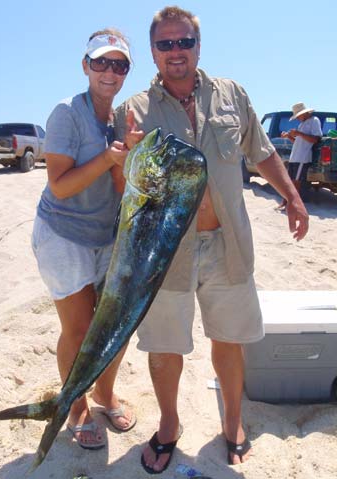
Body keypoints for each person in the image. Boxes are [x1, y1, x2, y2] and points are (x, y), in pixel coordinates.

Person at [114, 6, 309, 473]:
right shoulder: (135, 109)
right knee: (164, 347)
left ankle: (234, 421)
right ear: (153, 52)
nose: (176, 51)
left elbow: (261, 153)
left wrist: (294, 197)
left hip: (228, 244)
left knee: (229, 340)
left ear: (199, 46)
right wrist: (128, 155)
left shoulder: (232, 94)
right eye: (165, 44)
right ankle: (168, 426)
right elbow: (130, 191)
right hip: (166, 253)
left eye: (184, 42)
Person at [31, 29, 136, 450]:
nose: (109, 72)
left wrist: (125, 159)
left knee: (116, 327)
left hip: (105, 233)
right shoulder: (67, 113)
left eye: (119, 64)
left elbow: (118, 183)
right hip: (63, 233)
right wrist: (110, 156)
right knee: (79, 329)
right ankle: (75, 404)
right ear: (85, 66)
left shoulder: (123, 115)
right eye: (101, 62)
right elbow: (59, 185)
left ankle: (105, 394)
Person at [277, 102, 322, 209]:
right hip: (295, 156)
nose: (297, 118)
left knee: (295, 182)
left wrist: (298, 133)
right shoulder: (302, 124)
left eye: (298, 116)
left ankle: (291, 205)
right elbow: (298, 142)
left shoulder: (314, 120)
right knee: (289, 181)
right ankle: (285, 202)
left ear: (305, 113)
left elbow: (316, 139)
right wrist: (289, 136)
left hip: (302, 157)